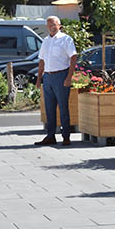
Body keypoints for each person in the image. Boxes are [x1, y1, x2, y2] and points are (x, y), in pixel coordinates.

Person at [35, 16, 78, 146]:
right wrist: (39, 79)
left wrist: (69, 77)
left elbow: (73, 57)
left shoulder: (66, 39)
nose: (51, 27)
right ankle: (50, 136)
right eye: (49, 25)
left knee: (63, 107)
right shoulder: (46, 41)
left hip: (61, 76)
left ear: (59, 25)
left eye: (54, 24)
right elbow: (42, 60)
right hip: (48, 77)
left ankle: (66, 137)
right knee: (49, 108)